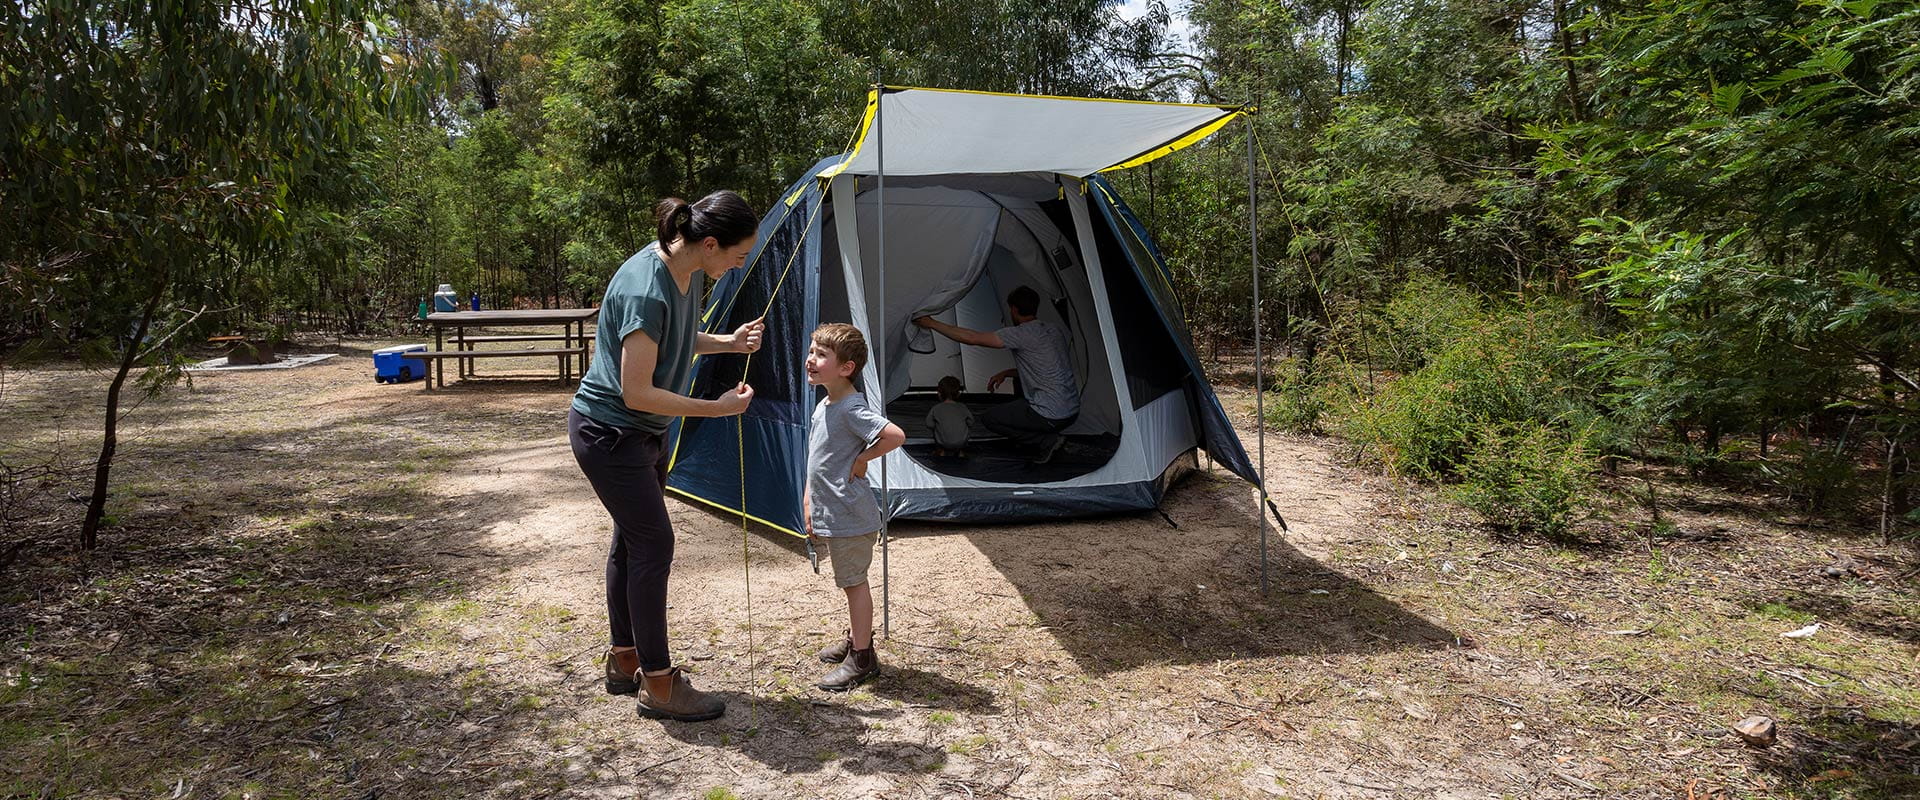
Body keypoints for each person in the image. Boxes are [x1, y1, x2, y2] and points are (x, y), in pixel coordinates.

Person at [569, 191, 763, 723]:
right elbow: (636, 391)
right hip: (612, 432)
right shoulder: (644, 287)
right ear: (708, 243)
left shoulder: (689, 271)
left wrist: (727, 342)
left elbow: (675, 340)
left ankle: (624, 658)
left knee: (633, 543)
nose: (740, 263)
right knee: (653, 544)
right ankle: (657, 683)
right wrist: (716, 409)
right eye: (738, 254)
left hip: (641, 435)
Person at [802, 323, 906, 691]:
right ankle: (855, 639)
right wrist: (809, 499)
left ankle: (862, 657)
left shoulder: (850, 407)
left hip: (851, 516)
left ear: (846, 367)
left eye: (821, 355)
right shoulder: (825, 403)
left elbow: (894, 435)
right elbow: (817, 458)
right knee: (848, 582)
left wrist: (863, 458)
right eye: (812, 352)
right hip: (833, 511)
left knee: (853, 584)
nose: (811, 360)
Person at [912, 286, 1078, 463]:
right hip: (1071, 410)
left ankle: (1047, 441)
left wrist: (931, 323)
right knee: (1020, 393)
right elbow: (1047, 368)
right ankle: (1041, 434)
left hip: (1050, 414)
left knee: (991, 419)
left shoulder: (1021, 333)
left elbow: (972, 338)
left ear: (1013, 309)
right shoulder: (1054, 330)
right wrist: (1006, 372)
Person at [925, 375, 974, 457]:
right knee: (966, 425)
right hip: (961, 443)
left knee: (936, 426)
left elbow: (929, 424)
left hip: (943, 442)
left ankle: (941, 451)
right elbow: (971, 422)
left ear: (939, 393)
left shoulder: (936, 408)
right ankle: (960, 451)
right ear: (958, 394)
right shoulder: (962, 407)